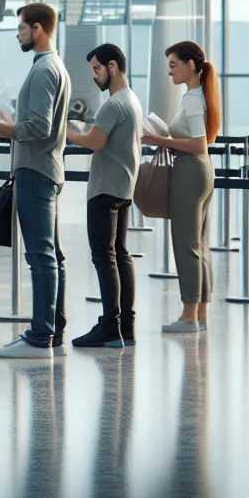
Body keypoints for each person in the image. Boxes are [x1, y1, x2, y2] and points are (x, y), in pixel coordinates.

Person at [0, 2, 72, 359]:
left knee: (41, 256)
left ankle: (41, 337)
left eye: (21, 27)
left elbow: (39, 127)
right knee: (52, 255)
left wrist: (9, 129)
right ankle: (52, 331)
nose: (18, 34)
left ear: (38, 29)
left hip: (36, 170)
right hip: (47, 168)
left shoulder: (43, 71)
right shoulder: (54, 67)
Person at [66, 43, 143, 349]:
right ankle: (126, 326)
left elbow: (95, 142)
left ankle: (110, 327)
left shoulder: (113, 105)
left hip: (105, 188)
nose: (94, 76)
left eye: (96, 69)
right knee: (120, 254)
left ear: (112, 67)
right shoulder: (131, 99)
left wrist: (65, 131)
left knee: (104, 256)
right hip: (123, 187)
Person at [143, 41, 220, 334]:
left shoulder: (191, 98)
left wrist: (160, 140)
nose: (170, 72)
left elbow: (200, 143)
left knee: (186, 244)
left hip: (190, 170)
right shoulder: (198, 95)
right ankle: (199, 314)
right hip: (200, 171)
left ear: (191, 65)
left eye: (174, 65)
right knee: (199, 245)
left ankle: (189, 315)